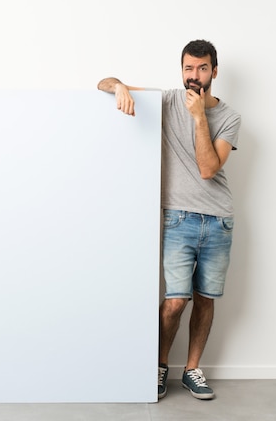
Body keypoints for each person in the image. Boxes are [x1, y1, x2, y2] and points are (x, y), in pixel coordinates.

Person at [97, 39, 241, 400]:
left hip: (218, 219)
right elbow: (103, 82)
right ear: (182, 70)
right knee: (175, 301)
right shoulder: (168, 99)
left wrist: (198, 118)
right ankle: (160, 367)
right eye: (189, 68)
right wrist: (119, 88)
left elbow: (208, 168)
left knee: (205, 299)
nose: (195, 76)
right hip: (177, 219)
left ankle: (193, 369)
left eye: (202, 68)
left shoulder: (229, 117)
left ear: (214, 71)